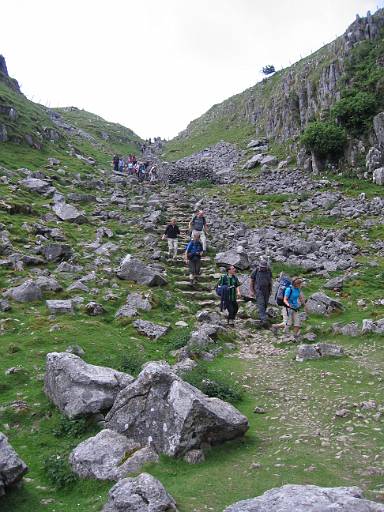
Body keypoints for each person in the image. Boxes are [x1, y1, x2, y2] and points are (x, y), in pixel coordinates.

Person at [249, 258, 272, 327]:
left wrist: (271, 290)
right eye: (261, 267)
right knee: (261, 303)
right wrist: (251, 290)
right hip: (258, 289)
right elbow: (251, 280)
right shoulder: (256, 271)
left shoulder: (268, 271)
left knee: (265, 304)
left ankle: (262, 316)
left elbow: (270, 280)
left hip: (267, 290)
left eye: (264, 267)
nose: (262, 268)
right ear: (259, 266)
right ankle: (264, 320)